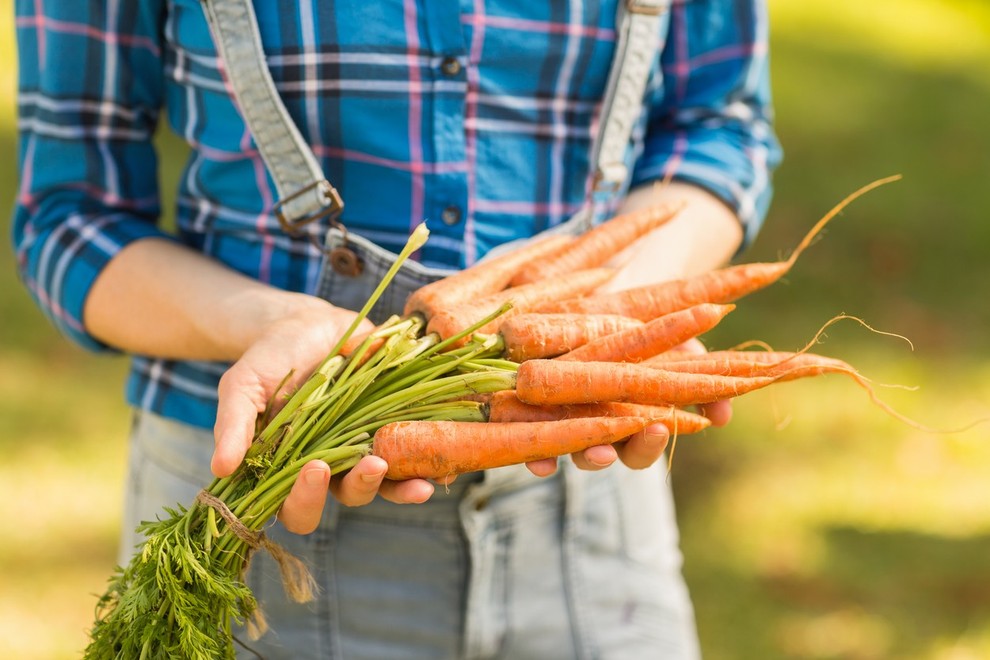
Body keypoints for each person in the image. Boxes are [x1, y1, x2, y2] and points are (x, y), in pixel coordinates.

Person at [13, 0, 780, 657]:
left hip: (593, 512)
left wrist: (612, 317)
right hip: (257, 513)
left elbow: (720, 123)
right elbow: (69, 214)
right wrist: (270, 321)